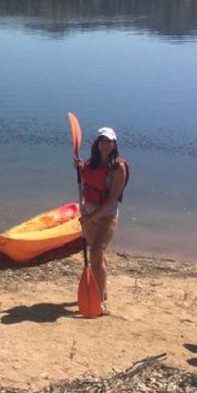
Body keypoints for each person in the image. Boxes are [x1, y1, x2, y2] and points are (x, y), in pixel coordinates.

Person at [77, 126, 129, 313]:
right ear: (97, 143)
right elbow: (85, 182)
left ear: (114, 144)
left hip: (106, 214)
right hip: (88, 211)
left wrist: (92, 216)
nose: (105, 144)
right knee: (97, 254)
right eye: (102, 140)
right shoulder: (90, 164)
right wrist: (79, 167)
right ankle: (102, 292)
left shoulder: (118, 167)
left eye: (108, 141)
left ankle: (101, 298)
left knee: (96, 252)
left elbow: (112, 198)